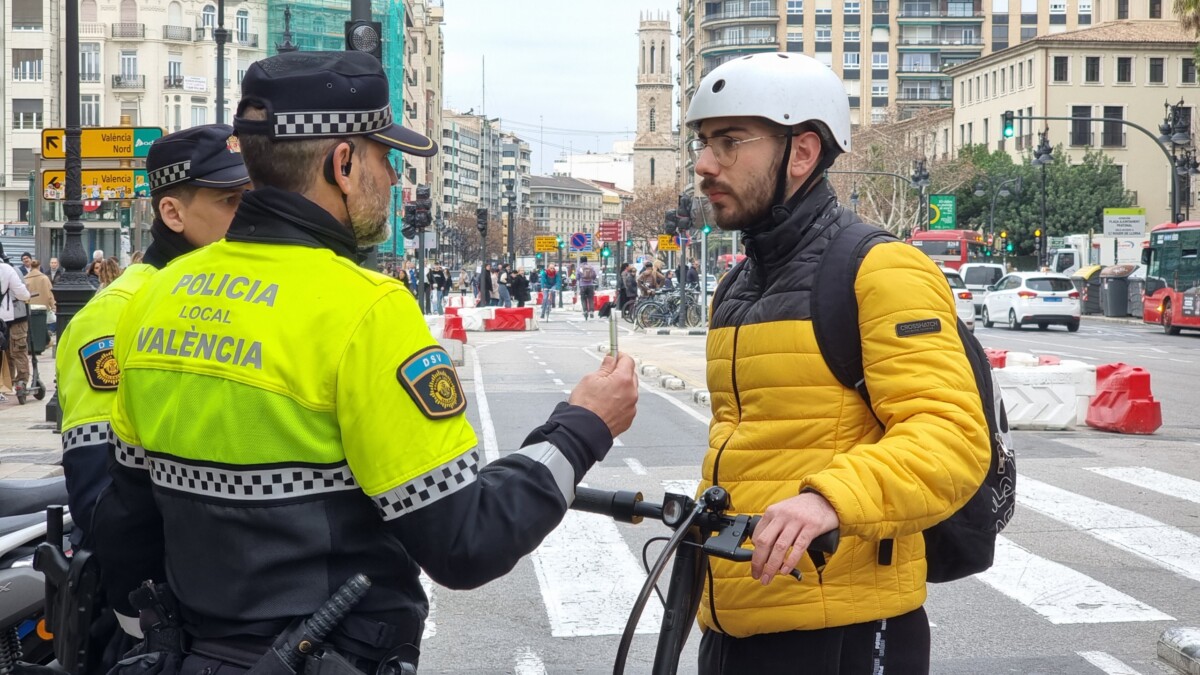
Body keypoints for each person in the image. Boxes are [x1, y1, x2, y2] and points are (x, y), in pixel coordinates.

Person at [90, 52, 639, 675]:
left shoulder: (154, 296)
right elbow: (465, 542)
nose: (395, 178)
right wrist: (583, 425)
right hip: (326, 655)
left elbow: (127, 520)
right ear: (344, 164)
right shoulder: (365, 310)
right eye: (386, 158)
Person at [684, 52, 989, 674]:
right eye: (703, 142)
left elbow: (951, 438)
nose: (703, 164)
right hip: (738, 617)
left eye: (729, 142)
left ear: (801, 152)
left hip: (846, 631)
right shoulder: (736, 289)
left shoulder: (880, 270)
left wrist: (827, 500)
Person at [57, 124, 251, 546]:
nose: (250, 214)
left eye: (255, 198)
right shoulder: (116, 311)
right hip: (161, 587)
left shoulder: (245, 297)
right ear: (173, 213)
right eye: (231, 201)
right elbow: (100, 495)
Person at [0, 245, 31, 399]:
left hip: (1, 320)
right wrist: (27, 296)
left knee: (4, 351)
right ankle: (21, 381)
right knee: (18, 350)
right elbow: (22, 292)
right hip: (16, 317)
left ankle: (5, 383)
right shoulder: (9, 269)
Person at [576, 256, 598, 320]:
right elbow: (594, 275)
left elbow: (577, 277)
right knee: (591, 298)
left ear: (581, 261)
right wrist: (592, 279)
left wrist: (579, 279)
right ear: (586, 260)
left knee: (583, 299)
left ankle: (585, 311)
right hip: (590, 285)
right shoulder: (591, 267)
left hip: (582, 285)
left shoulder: (579, 268)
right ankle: (591, 311)